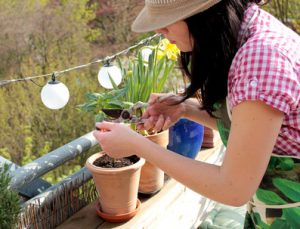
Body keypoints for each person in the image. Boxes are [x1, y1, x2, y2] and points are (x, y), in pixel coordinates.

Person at [94, 0, 300, 227]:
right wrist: (185, 108)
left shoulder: (261, 60)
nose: (159, 30)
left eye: (167, 19)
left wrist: (139, 146)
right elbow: (256, 132)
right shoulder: (248, 32)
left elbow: (233, 188)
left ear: (203, 15)